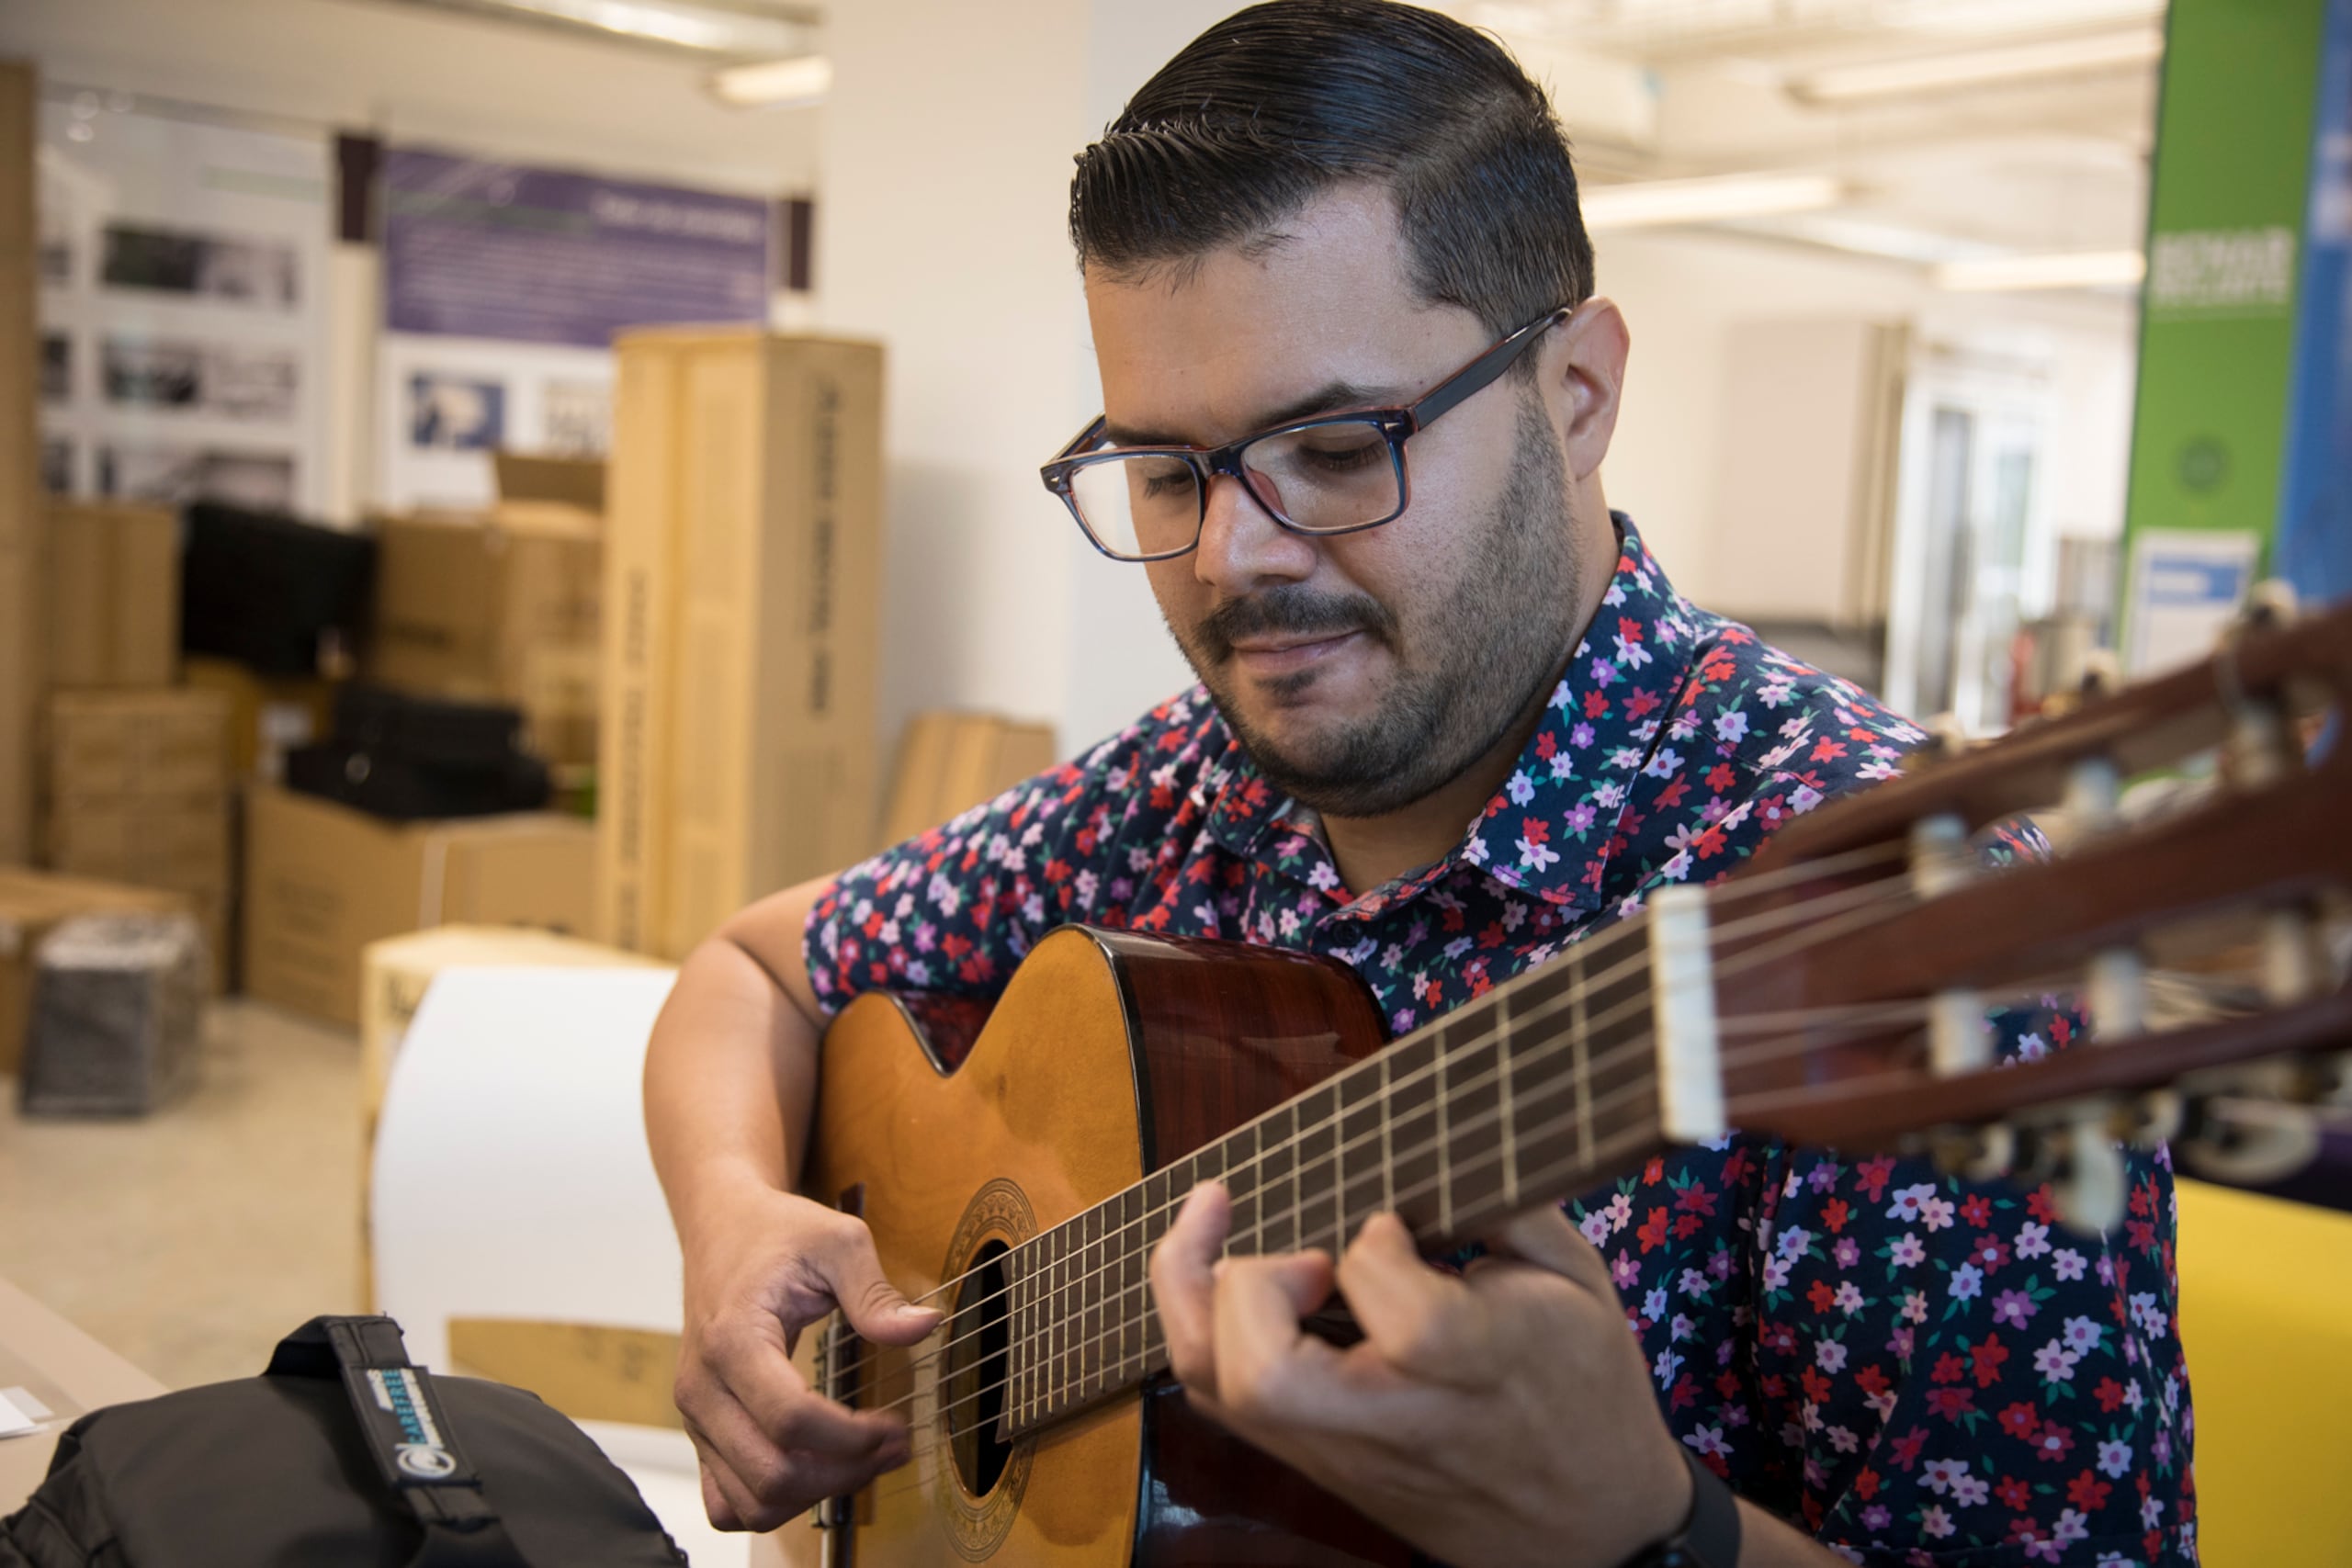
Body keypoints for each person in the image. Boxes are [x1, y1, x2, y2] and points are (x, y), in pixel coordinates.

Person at [643, 4, 2195, 1563]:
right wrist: (730, 1223)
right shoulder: (1182, 796)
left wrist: (1654, 1529)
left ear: (1577, 394)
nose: (1234, 556)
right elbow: (752, 969)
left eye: (1333, 446)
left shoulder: (1924, 925)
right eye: (1169, 471)